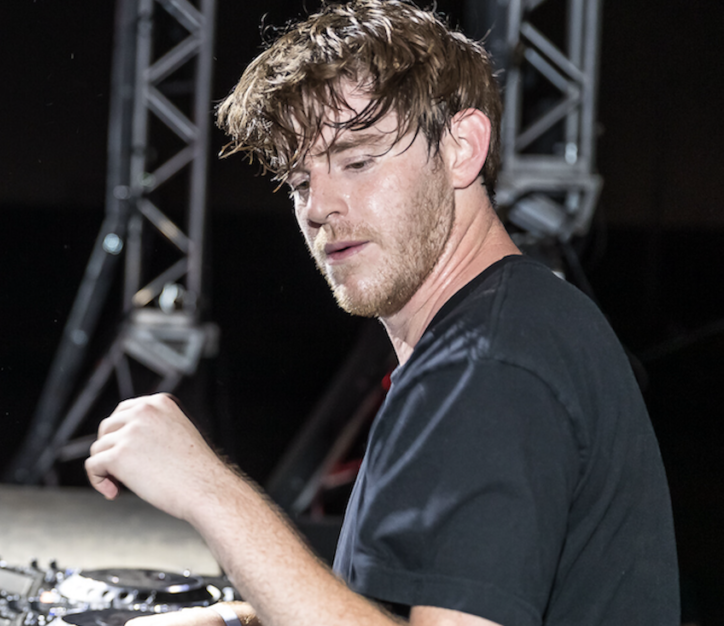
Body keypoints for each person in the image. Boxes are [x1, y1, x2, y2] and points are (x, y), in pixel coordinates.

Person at [84, 1, 679, 624]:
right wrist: (238, 619)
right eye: (300, 182)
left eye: (358, 161)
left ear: (462, 148)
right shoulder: (507, 327)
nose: (318, 207)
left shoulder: (489, 367)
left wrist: (209, 493)